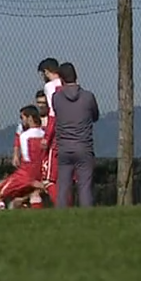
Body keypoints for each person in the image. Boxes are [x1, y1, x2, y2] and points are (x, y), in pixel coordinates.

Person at [50, 62, 99, 208]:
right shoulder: (88, 97)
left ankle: (61, 215)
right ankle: (86, 216)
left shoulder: (56, 98)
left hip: (64, 147)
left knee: (63, 186)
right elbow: (95, 116)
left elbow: (57, 113)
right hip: (84, 146)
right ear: (76, 76)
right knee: (84, 186)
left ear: (61, 79)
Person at [0, 106, 48, 210]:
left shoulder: (25, 136)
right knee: (31, 196)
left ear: (29, 118)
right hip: (42, 173)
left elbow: (27, 158)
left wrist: (31, 181)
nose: (22, 121)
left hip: (25, 175)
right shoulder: (45, 135)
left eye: (22, 117)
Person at [38, 58, 63, 205]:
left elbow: (53, 113)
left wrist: (47, 137)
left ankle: (61, 207)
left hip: (57, 135)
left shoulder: (50, 87)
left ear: (46, 72)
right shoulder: (66, 84)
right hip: (73, 133)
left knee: (49, 179)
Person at [12, 90, 48, 168]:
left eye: (43, 103)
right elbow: (17, 139)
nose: (41, 105)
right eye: (39, 102)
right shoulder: (26, 123)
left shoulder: (51, 120)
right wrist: (16, 155)